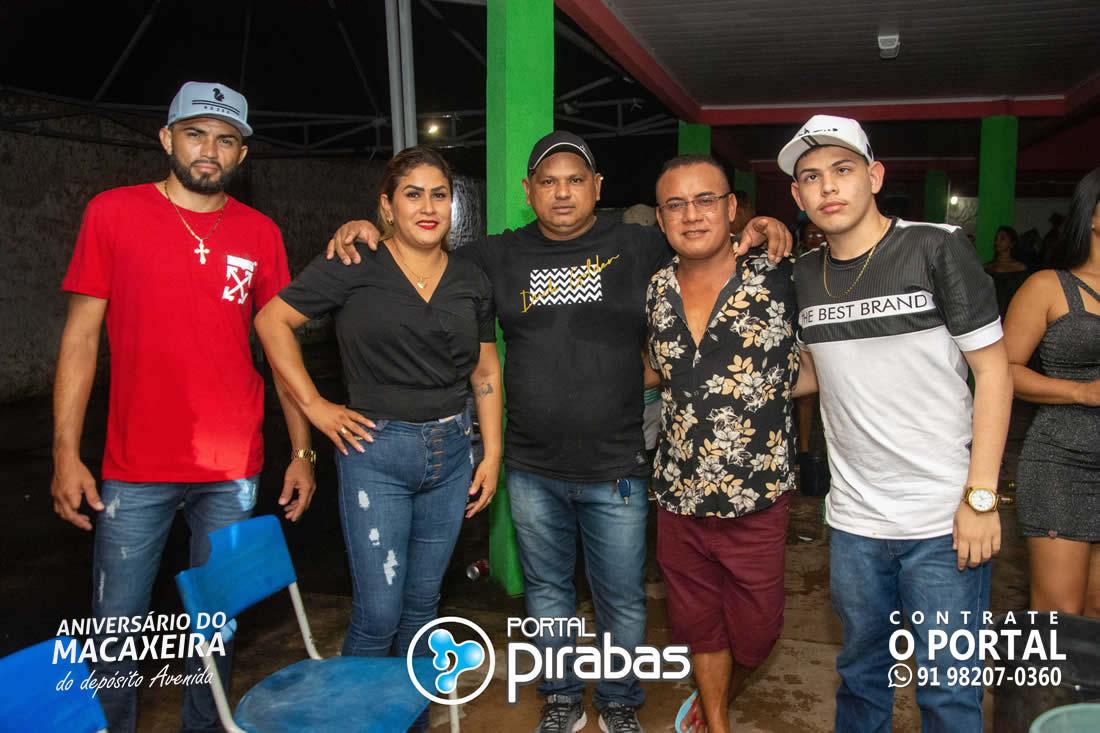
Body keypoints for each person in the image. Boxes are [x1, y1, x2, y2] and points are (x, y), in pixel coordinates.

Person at [325, 131, 792, 733]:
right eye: (548, 182)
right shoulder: (495, 256)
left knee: (621, 597)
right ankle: (562, 697)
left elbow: (705, 236)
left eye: (575, 180)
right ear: (529, 191)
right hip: (531, 467)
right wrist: (365, 228)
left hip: (618, 467)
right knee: (546, 594)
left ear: (597, 187)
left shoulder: (641, 245)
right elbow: (419, 248)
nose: (562, 192)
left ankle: (619, 700)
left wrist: (763, 225)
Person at [51, 81, 316, 732]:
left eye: (225, 140)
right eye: (195, 134)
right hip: (134, 465)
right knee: (116, 629)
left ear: (241, 155)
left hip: (232, 466)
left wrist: (303, 450)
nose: (209, 150)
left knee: (215, 625)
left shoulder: (260, 233)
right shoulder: (113, 213)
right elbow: (80, 339)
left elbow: (280, 351)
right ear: (166, 138)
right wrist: (65, 452)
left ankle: (206, 726)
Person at [781, 115, 1012, 731]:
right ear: (797, 195)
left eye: (843, 169)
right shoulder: (804, 274)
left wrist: (981, 497)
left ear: (875, 176)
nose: (829, 187)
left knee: (948, 690)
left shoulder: (937, 248)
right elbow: (816, 371)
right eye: (811, 177)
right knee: (861, 677)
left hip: (942, 519)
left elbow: (994, 373)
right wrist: (730, 385)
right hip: (854, 521)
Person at [254, 147, 502, 682]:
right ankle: (359, 715)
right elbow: (272, 321)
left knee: (422, 611)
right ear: (387, 206)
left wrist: (493, 453)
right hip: (376, 453)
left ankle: (409, 717)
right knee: (378, 615)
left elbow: (485, 370)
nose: (428, 207)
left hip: (453, 453)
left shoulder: (470, 278)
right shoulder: (354, 263)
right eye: (413, 194)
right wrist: (316, 407)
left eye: (439, 195)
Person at [645, 155, 807, 733]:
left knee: (758, 633)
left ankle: (724, 694)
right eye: (676, 204)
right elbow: (659, 369)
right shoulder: (656, 288)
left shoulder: (781, 278)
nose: (691, 215)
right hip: (677, 493)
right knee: (697, 625)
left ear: (732, 207)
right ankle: (715, 720)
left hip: (756, 496)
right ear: (661, 218)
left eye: (705, 200)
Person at [1003, 167, 1100, 617]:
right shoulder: (1047, 286)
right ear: (1092, 215)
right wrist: (1082, 392)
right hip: (1063, 463)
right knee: (1060, 615)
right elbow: (1004, 371)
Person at [985, 225, 1029, 315]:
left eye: (1002, 238)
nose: (997, 242)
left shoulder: (1020, 268)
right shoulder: (988, 267)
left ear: (1012, 243)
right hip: (990, 314)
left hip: (1012, 313)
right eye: (996, 238)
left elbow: (1024, 296)